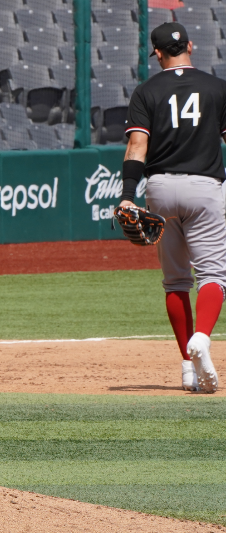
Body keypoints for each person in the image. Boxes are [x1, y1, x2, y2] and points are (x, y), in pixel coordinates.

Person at [121, 21, 226, 393]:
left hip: (161, 188)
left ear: (159, 53)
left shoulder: (146, 91)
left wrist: (128, 194)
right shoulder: (217, 88)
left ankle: (187, 366)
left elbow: (137, 148)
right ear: (191, 46)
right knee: (213, 276)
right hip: (205, 186)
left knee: (175, 281)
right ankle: (202, 336)